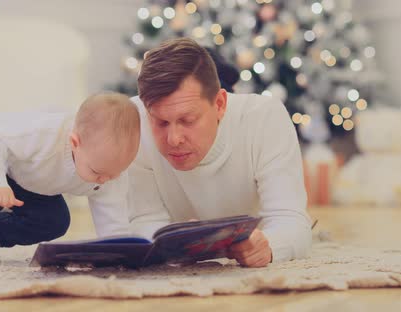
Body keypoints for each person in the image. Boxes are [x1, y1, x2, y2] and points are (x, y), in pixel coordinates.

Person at [127, 38, 312, 267]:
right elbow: (143, 220)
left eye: (188, 120)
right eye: (161, 122)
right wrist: (175, 244)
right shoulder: (133, 121)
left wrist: (268, 246)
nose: (173, 139)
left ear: (220, 104)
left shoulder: (265, 118)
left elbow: (290, 219)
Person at [0, 92, 139, 269]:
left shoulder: (109, 170)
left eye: (116, 173)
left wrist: (117, 251)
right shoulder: (43, 135)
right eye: (97, 172)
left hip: (31, 176)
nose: (105, 180)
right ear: (75, 143)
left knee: (55, 221)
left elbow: (113, 218)